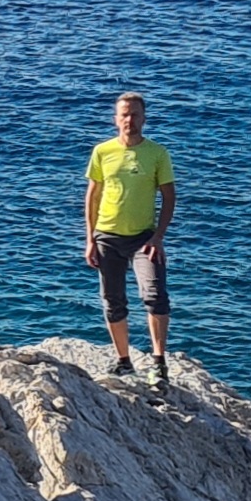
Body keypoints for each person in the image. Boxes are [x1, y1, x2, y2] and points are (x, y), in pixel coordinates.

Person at [81, 90, 180, 390]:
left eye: (135, 114)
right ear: (116, 119)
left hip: (144, 239)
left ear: (144, 118)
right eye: (124, 114)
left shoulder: (157, 153)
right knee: (113, 301)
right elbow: (93, 196)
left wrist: (159, 237)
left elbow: (169, 197)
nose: (130, 120)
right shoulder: (102, 152)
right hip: (107, 236)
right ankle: (123, 360)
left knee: (155, 295)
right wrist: (90, 239)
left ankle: (159, 362)